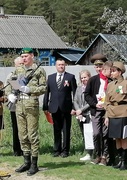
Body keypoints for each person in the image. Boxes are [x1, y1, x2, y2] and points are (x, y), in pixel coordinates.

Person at [6, 48, 46, 176]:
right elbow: (10, 83)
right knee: (22, 135)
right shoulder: (18, 70)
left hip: (31, 105)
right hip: (19, 106)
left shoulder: (39, 70)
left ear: (32, 56)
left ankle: (34, 164)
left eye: (26, 56)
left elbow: (43, 87)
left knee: (32, 135)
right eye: (22, 56)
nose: (24, 58)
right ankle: (26, 161)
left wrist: (29, 89)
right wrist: (9, 95)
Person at [43, 58, 77, 158]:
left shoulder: (70, 77)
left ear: (65, 65)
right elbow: (46, 93)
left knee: (66, 130)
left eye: (62, 65)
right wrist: (45, 106)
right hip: (54, 107)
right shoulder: (51, 77)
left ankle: (65, 150)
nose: (61, 66)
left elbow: (75, 93)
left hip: (66, 108)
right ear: (56, 66)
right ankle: (56, 150)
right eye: (59, 65)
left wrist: (74, 107)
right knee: (56, 129)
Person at [104, 62, 127, 170]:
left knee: (123, 138)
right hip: (112, 114)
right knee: (116, 138)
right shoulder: (110, 85)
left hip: (124, 113)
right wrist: (106, 117)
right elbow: (107, 103)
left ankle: (124, 162)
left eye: (113, 71)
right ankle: (119, 161)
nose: (111, 73)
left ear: (119, 72)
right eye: (111, 71)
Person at [84, 60, 113, 166]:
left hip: (106, 111)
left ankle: (105, 156)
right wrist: (95, 104)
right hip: (96, 110)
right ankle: (98, 155)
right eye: (111, 70)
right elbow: (86, 95)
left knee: (105, 134)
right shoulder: (93, 80)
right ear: (105, 69)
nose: (112, 72)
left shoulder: (110, 81)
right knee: (96, 133)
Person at [73, 69, 94, 161]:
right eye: (81, 78)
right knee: (84, 133)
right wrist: (78, 110)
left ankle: (91, 153)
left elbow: (91, 102)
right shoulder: (79, 88)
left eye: (85, 77)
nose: (83, 79)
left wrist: (81, 110)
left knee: (90, 133)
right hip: (80, 115)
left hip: (89, 113)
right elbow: (75, 100)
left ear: (89, 77)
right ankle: (87, 152)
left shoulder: (92, 88)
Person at [5, 56, 23, 156]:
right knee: (16, 128)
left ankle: (25, 149)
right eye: (19, 64)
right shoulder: (11, 76)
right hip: (15, 106)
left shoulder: (26, 74)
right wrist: (9, 95)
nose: (21, 65)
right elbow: (8, 89)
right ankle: (17, 149)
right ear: (15, 64)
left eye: (22, 63)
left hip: (25, 104)